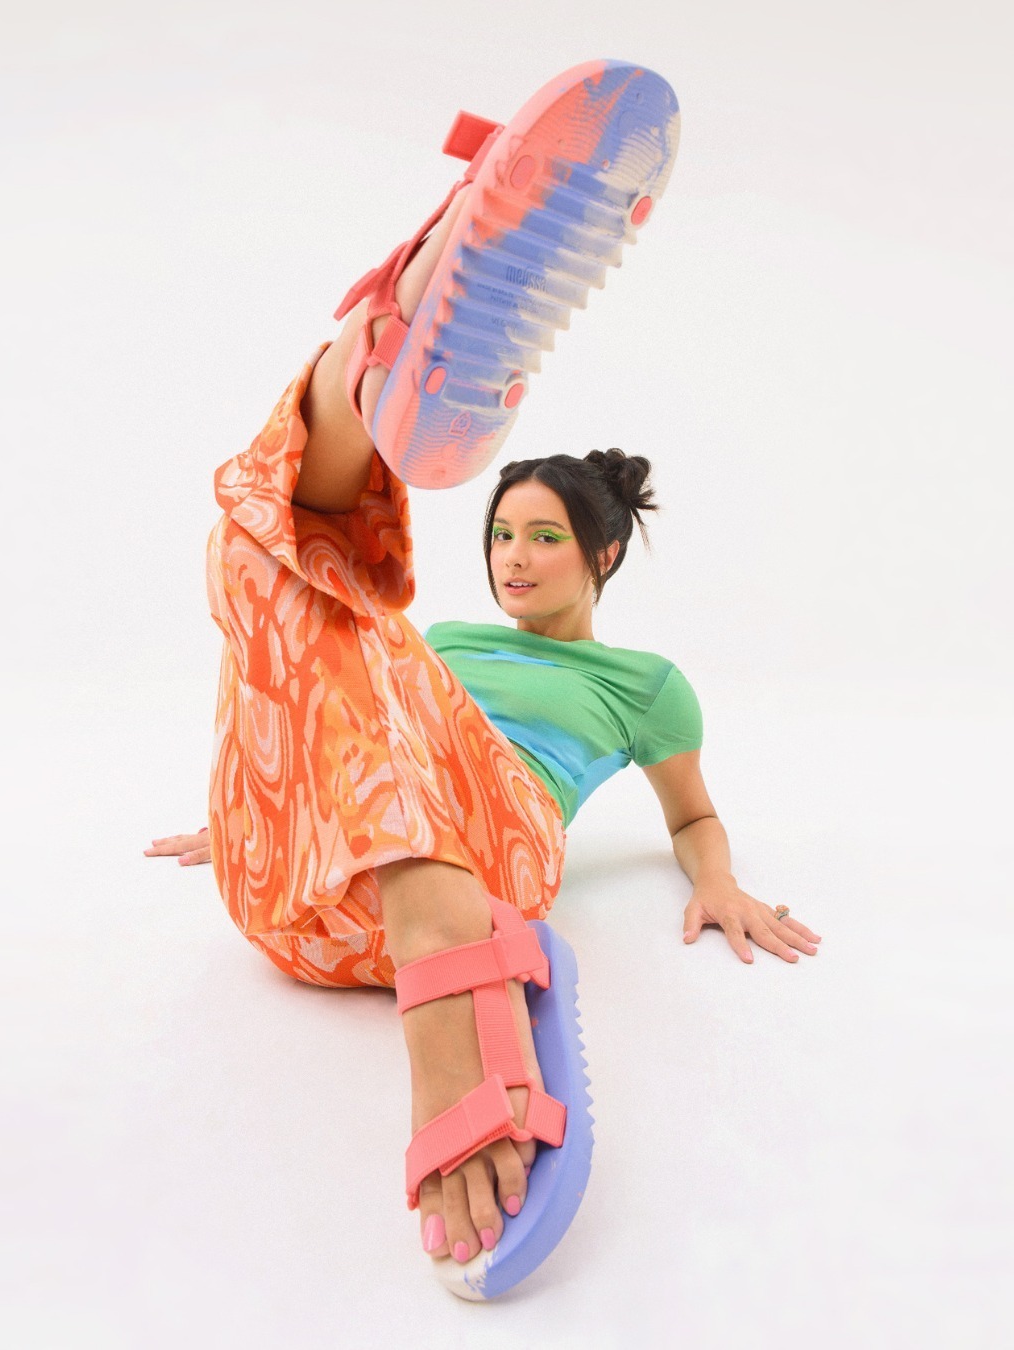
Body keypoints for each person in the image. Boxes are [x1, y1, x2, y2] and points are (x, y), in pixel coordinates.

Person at [146, 61, 821, 1295]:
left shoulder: (643, 682)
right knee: (267, 572)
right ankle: (390, 345)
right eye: (502, 533)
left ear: (602, 556)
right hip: (301, 904)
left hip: (488, 866)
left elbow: (691, 814)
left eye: (544, 538)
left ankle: (388, 325)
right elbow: (323, 694)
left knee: (318, 591)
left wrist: (721, 881)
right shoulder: (437, 642)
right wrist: (259, 790)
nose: (512, 556)